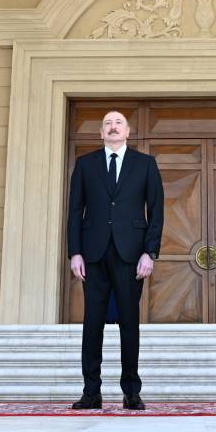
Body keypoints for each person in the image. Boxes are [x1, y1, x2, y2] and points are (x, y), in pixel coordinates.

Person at [66, 109, 164, 410]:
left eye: (118, 122)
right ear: (101, 132)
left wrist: (150, 252)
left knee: (129, 323)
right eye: (107, 123)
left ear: (128, 131)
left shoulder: (145, 164)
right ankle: (91, 391)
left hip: (131, 254)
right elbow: (75, 211)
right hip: (93, 254)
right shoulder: (85, 164)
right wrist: (75, 252)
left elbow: (156, 211)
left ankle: (131, 391)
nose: (112, 127)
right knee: (92, 324)